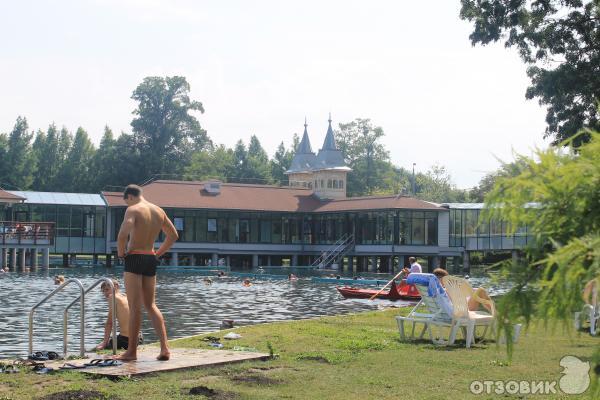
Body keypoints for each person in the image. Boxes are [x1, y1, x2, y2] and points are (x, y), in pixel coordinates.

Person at [116, 184, 179, 362]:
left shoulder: (132, 209)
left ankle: (131, 352)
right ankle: (165, 348)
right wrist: (157, 254)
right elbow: (173, 235)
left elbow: (122, 235)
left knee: (135, 307)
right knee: (151, 305)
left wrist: (121, 254)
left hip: (135, 258)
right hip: (150, 258)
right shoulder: (159, 211)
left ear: (129, 197)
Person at [94, 279, 142, 351]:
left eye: (107, 289)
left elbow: (109, 323)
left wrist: (104, 343)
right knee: (112, 339)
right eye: (103, 291)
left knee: (97, 347)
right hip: (139, 338)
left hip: (126, 341)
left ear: (115, 287)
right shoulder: (125, 296)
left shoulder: (112, 297)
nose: (105, 293)